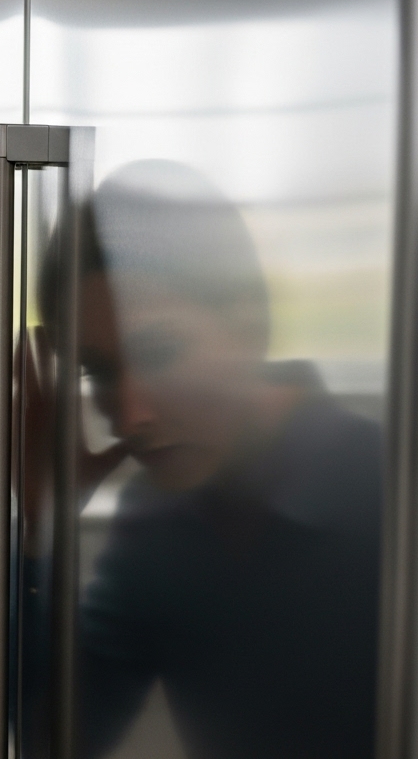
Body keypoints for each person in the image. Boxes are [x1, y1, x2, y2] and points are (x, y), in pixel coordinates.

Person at [72, 160, 384, 758]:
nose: (130, 414)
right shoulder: (153, 518)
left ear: (249, 320)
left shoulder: (391, 494)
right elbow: (50, 737)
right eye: (101, 372)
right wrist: (35, 526)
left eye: (159, 352)